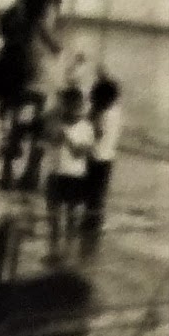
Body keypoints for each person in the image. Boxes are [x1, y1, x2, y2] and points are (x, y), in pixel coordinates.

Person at [45, 85, 94, 262]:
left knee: (72, 217)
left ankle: (67, 250)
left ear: (80, 106)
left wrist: (67, 137)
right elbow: (49, 137)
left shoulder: (86, 127)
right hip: (55, 173)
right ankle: (53, 251)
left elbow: (80, 153)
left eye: (76, 106)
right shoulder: (55, 123)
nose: (72, 110)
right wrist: (56, 126)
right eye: (68, 105)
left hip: (75, 175)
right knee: (53, 216)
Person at [81, 77, 122, 239]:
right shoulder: (116, 111)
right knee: (98, 192)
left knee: (90, 192)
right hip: (108, 158)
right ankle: (95, 220)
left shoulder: (101, 113)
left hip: (94, 157)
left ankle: (91, 222)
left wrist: (90, 118)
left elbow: (96, 134)